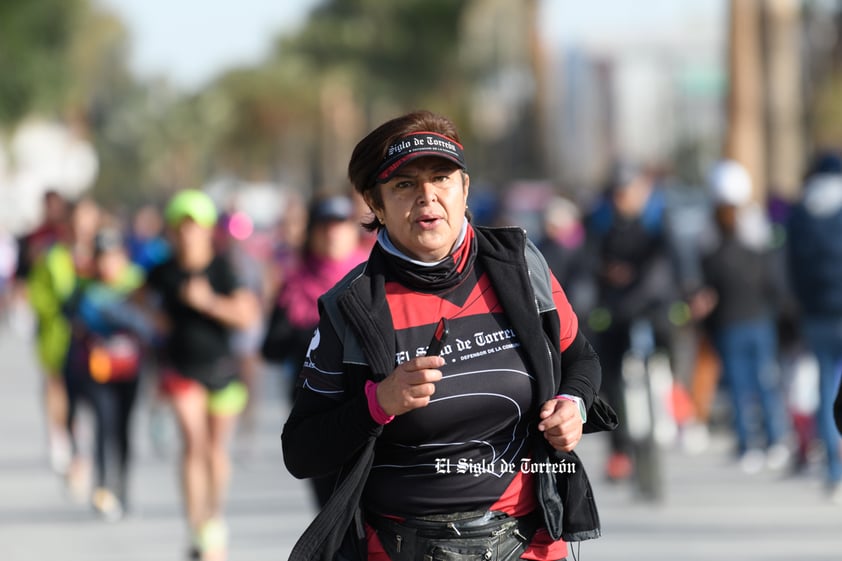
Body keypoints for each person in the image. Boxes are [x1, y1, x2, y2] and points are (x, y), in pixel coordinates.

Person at [282, 111, 616, 561]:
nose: (427, 196)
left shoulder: (518, 265)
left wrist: (573, 405)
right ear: (375, 205)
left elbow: (581, 360)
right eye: (403, 185)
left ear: (464, 189)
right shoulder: (352, 306)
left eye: (442, 178)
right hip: (404, 547)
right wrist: (378, 403)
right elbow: (301, 452)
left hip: (531, 542)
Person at [142, 189, 260, 560]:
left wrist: (207, 302)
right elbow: (137, 300)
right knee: (193, 442)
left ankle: (213, 518)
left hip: (221, 368)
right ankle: (196, 526)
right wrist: (153, 319)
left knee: (214, 450)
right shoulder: (163, 270)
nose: (187, 234)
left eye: (194, 226)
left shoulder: (223, 268)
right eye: (181, 227)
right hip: (180, 369)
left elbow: (248, 315)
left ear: (207, 229)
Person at [261, 193, 367, 506]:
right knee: (330, 510)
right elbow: (271, 350)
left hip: (369, 403)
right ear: (311, 233)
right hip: (316, 408)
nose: (332, 233)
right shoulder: (294, 282)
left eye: (341, 224)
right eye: (324, 226)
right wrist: (309, 335)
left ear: (353, 230)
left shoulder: (374, 276)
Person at [690, 160, 789, 474]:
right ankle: (771, 442)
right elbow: (771, 279)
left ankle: (752, 445)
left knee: (742, 387)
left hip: (733, 321)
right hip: (755, 319)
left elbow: (707, 281)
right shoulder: (757, 233)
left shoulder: (711, 237)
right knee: (762, 384)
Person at [586, 161, 678, 482]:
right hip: (613, 315)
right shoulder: (601, 228)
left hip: (649, 313)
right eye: (619, 193)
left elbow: (669, 267)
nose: (624, 199)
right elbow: (587, 266)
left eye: (630, 192)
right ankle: (620, 450)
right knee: (609, 380)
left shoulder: (656, 227)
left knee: (662, 363)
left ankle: (673, 412)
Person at [64, 227, 153, 520]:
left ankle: (122, 487)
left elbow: (150, 326)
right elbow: (72, 317)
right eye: (102, 258)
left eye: (112, 257)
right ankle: (102, 488)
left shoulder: (137, 284)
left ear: (123, 258)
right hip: (98, 371)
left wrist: (126, 315)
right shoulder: (84, 288)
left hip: (130, 370)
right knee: (104, 424)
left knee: (124, 429)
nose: (107, 265)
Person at [27, 197, 100, 491]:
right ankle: (67, 446)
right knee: (58, 389)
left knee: (92, 401)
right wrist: (60, 313)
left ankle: (87, 458)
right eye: (78, 220)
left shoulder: (106, 253)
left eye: (88, 219)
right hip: (59, 337)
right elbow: (39, 294)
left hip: (94, 342)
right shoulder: (53, 256)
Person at [787, 150, 842, 502]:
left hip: (817, 315)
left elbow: (790, 266)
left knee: (824, 389)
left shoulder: (801, 212)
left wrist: (802, 305)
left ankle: (834, 470)